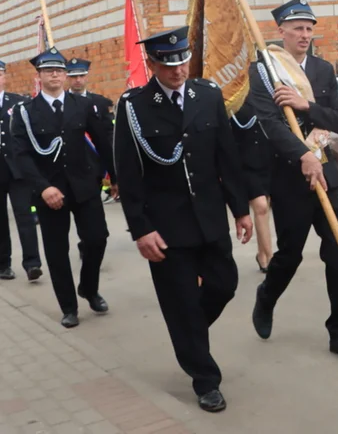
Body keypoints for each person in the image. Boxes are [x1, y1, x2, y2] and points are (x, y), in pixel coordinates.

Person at [113, 27, 253, 412]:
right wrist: (141, 229)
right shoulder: (134, 106)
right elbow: (127, 173)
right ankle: (205, 379)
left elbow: (226, 154)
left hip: (209, 219)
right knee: (182, 304)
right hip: (166, 226)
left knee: (224, 284)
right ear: (153, 65)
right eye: (169, 64)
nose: (178, 71)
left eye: (183, 61)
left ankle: (187, 335)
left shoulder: (206, 95)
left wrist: (240, 208)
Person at [249, 0, 338, 361]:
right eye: (297, 28)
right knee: (291, 253)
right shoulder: (265, 69)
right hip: (288, 175)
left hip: (325, 167)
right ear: (280, 30)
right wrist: (301, 156)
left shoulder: (322, 70)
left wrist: (305, 106)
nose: (304, 34)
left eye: (309, 28)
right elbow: (267, 124)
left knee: (337, 254)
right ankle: (267, 296)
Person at [7, 47, 114, 328]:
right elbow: (20, 154)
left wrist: (116, 177)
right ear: (39, 76)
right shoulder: (25, 112)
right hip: (49, 192)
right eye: (48, 70)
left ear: (66, 75)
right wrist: (42, 188)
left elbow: (103, 141)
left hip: (84, 186)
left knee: (97, 239)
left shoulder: (83, 105)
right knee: (56, 251)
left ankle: (89, 288)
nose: (55, 74)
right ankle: (68, 306)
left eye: (59, 70)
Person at [0, 61, 40, 282]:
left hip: (18, 171)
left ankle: (32, 263)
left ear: (4, 77)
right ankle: (3, 264)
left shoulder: (19, 103)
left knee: (25, 217)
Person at [230, 97, 273, 272]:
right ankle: (270, 258)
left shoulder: (262, 93)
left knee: (265, 206)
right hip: (245, 163)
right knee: (261, 207)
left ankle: (262, 253)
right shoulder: (232, 97)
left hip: (267, 158)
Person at [65, 58, 115, 203]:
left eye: (81, 76)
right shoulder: (61, 102)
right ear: (67, 78)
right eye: (74, 76)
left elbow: (108, 133)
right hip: (71, 165)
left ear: (87, 77)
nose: (78, 80)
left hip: (95, 163)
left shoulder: (99, 102)